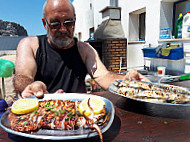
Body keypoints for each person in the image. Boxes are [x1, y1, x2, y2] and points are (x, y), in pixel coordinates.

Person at [13, 0, 149, 98]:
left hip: (78, 115)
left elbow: (104, 76)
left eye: (69, 22)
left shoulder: (84, 49)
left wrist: (128, 82)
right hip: (41, 110)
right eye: (55, 24)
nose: (63, 29)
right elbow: (22, 77)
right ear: (44, 24)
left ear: (75, 21)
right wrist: (32, 87)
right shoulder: (30, 45)